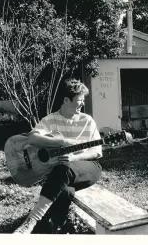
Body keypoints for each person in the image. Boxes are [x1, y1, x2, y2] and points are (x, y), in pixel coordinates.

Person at [13, 79, 102, 233]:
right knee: (65, 191)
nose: (83, 104)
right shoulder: (51, 120)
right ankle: (56, 226)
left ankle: (32, 220)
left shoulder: (87, 121)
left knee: (63, 167)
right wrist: (62, 141)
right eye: (80, 100)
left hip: (88, 167)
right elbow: (32, 138)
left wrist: (74, 158)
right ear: (66, 100)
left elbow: (97, 152)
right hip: (61, 173)